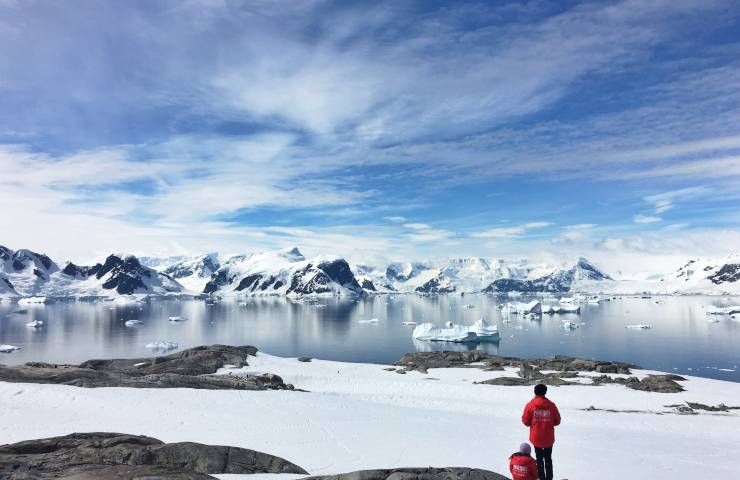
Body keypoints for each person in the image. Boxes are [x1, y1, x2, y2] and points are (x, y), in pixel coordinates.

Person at [521, 383, 561, 480]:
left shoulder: (530, 405)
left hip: (536, 437)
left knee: (539, 459)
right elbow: (557, 421)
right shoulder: (551, 405)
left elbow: (525, 421)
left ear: (535, 392)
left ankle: (542, 478)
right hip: (548, 437)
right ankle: (549, 478)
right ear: (545, 392)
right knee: (548, 458)